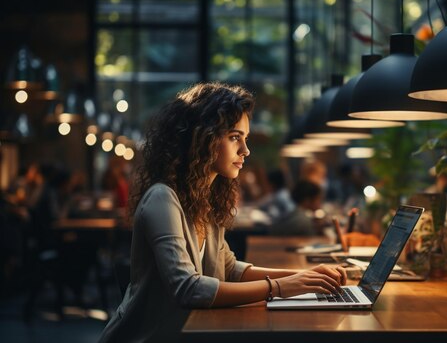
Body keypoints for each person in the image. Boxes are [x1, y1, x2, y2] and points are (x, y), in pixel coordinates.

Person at [98, 82, 346, 342]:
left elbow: (229, 269)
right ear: (202, 137)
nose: (245, 151)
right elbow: (188, 288)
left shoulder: (204, 199)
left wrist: (304, 277)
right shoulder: (162, 198)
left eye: (245, 139)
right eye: (234, 137)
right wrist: (281, 287)